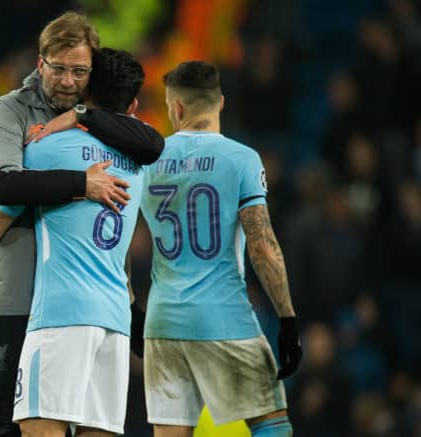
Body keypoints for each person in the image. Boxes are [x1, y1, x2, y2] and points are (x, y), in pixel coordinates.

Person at [0, 12, 163, 437]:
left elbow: (152, 143)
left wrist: (82, 117)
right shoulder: (11, 109)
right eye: (58, 68)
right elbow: (4, 183)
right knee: (8, 425)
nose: (66, 80)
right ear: (39, 63)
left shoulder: (54, 141)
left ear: (91, 75)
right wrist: (84, 182)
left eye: (78, 72)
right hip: (17, 295)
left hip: (62, 304)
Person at [139, 61, 302, 437]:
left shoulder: (149, 161)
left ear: (176, 107)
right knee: (272, 423)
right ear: (221, 103)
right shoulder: (241, 158)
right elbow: (262, 246)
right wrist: (287, 319)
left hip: (162, 322)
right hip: (223, 316)